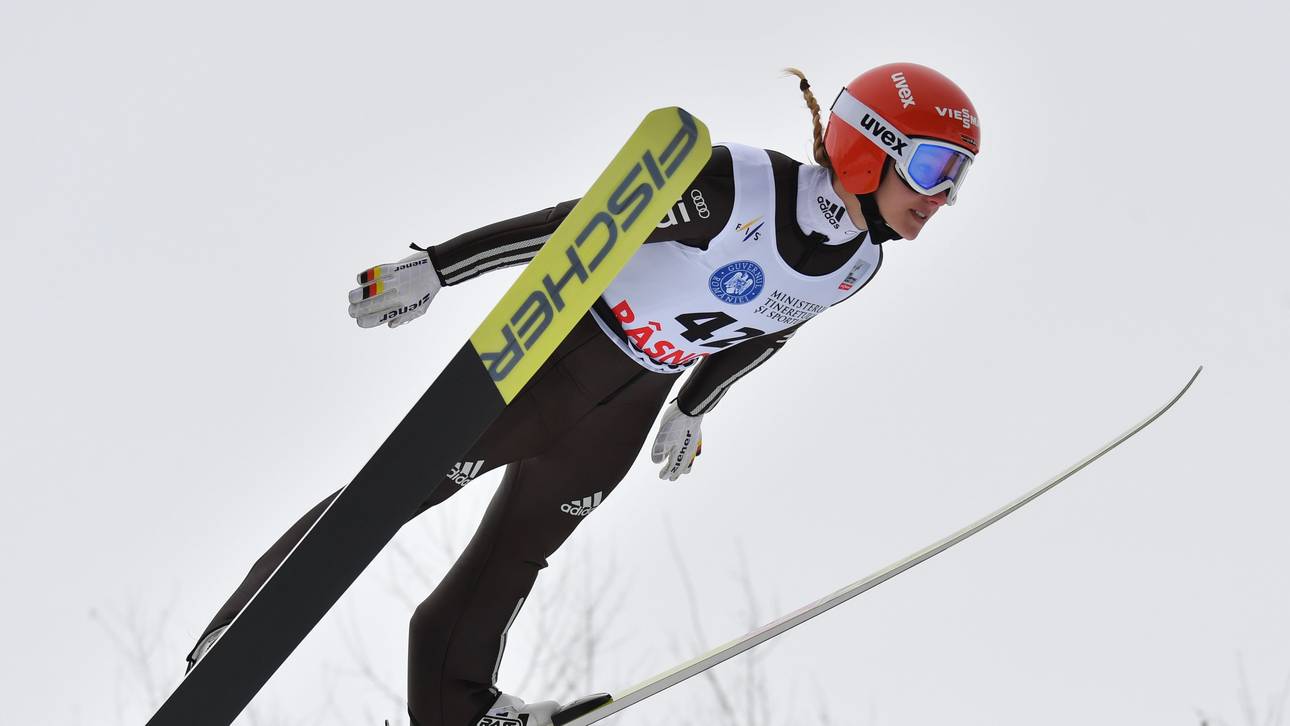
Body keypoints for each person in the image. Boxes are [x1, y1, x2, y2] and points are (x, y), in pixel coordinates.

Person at [185, 62, 981, 726]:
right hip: (559, 362)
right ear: (870, 147)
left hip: (626, 410)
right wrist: (440, 266)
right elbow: (579, 227)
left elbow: (768, 332)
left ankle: (455, 708)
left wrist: (693, 408)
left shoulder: (858, 268)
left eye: (959, 179)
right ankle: (235, 628)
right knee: (394, 495)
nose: (943, 197)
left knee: (513, 560)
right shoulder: (737, 187)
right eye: (935, 168)